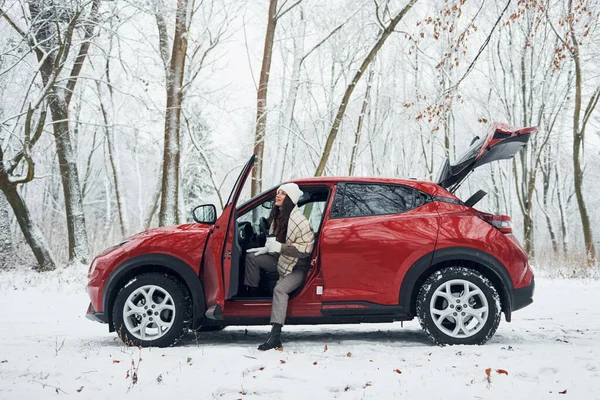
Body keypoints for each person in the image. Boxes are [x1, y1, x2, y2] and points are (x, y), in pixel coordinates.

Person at [244, 182, 314, 351]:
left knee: (280, 290)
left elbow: (306, 251)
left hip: (298, 268)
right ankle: (253, 293)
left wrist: (280, 248)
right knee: (251, 257)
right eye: (278, 192)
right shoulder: (279, 217)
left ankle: (275, 336)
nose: (278, 195)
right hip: (281, 260)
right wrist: (267, 249)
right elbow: (275, 243)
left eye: (282, 193)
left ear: (290, 198)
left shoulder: (300, 222)